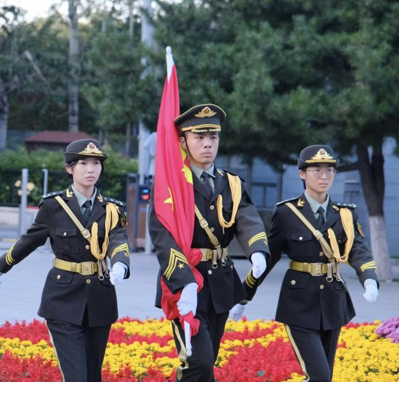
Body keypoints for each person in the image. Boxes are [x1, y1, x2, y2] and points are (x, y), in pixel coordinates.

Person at [0, 139, 131, 382]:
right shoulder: (54, 206)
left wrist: (120, 263)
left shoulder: (112, 209)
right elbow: (29, 241)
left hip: (100, 297)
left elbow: (118, 238)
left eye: (96, 163)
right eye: (83, 163)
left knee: (92, 377)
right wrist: (0, 267)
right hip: (62, 299)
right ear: (69, 168)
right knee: (76, 379)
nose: (90, 169)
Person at [148, 104, 270, 382]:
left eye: (213, 137)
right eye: (199, 137)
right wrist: (184, 282)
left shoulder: (231, 183)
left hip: (220, 282)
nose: (207, 144)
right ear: (183, 142)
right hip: (184, 281)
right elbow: (163, 238)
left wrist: (257, 251)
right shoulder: (171, 185)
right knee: (198, 361)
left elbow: (247, 219)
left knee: (207, 360)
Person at [239, 144, 380, 382]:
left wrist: (369, 279)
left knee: (324, 378)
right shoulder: (287, 213)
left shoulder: (344, 213)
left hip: (333, 302)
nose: (324, 176)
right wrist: (245, 294)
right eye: (317, 170)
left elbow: (358, 248)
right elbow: (269, 257)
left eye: (329, 170)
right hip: (298, 304)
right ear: (302, 174)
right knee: (320, 378)